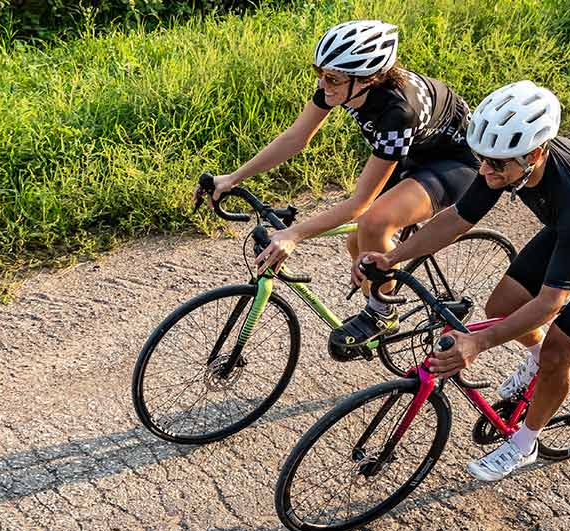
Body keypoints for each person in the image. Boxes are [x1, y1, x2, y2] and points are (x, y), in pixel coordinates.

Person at [353, 80, 570, 481]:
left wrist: (478, 342)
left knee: (559, 348)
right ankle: (535, 361)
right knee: (501, 305)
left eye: (497, 164)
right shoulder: (504, 166)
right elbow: (456, 220)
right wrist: (392, 256)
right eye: (481, 158)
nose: (484, 170)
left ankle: (525, 444)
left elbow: (551, 302)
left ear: (535, 154)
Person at [199, 19, 477, 351]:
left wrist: (294, 233)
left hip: (454, 162)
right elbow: (295, 138)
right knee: (358, 243)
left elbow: (360, 203)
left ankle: (382, 314)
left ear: (369, 79)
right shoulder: (342, 84)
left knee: (374, 221)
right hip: (413, 149)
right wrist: (233, 178)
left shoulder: (396, 112)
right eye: (319, 72)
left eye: (332, 78)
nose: (323, 83)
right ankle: (385, 287)